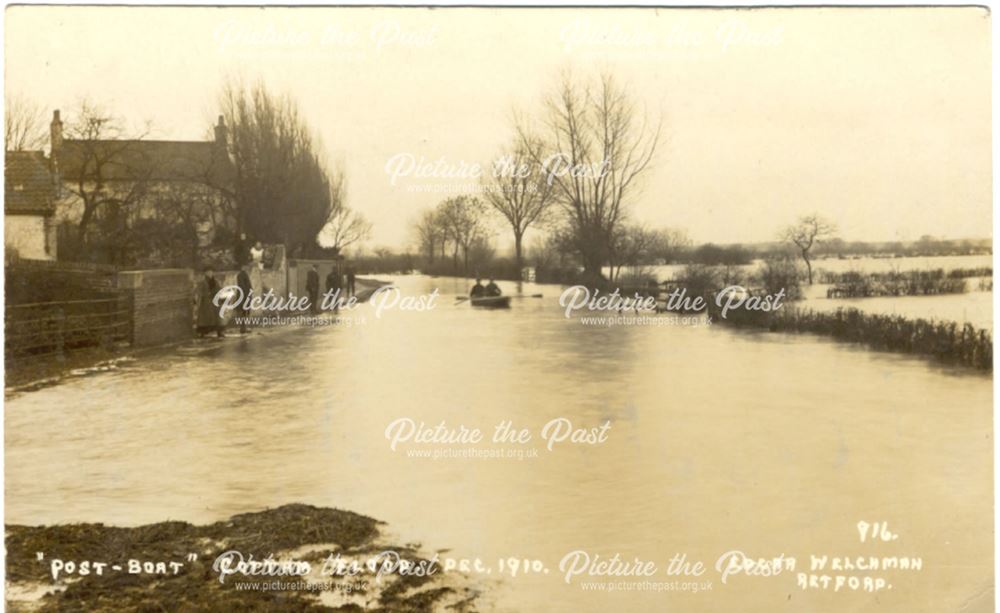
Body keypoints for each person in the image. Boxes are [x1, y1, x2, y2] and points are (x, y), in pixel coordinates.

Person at [196, 267, 224, 338]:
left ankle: (219, 332)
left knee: (217, 318)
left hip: (215, 302)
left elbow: (219, 289)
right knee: (205, 318)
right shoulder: (202, 282)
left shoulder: (215, 281)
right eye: (208, 272)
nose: (210, 273)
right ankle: (202, 333)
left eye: (211, 272)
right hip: (206, 302)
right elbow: (200, 291)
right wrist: (200, 299)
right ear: (205, 273)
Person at [236, 262, 253, 334]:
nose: (246, 267)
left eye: (246, 266)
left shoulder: (244, 274)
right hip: (243, 296)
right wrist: (247, 295)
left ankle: (244, 328)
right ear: (242, 267)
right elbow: (242, 286)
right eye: (244, 266)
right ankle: (242, 328)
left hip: (246, 295)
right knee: (243, 312)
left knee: (245, 312)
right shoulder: (240, 275)